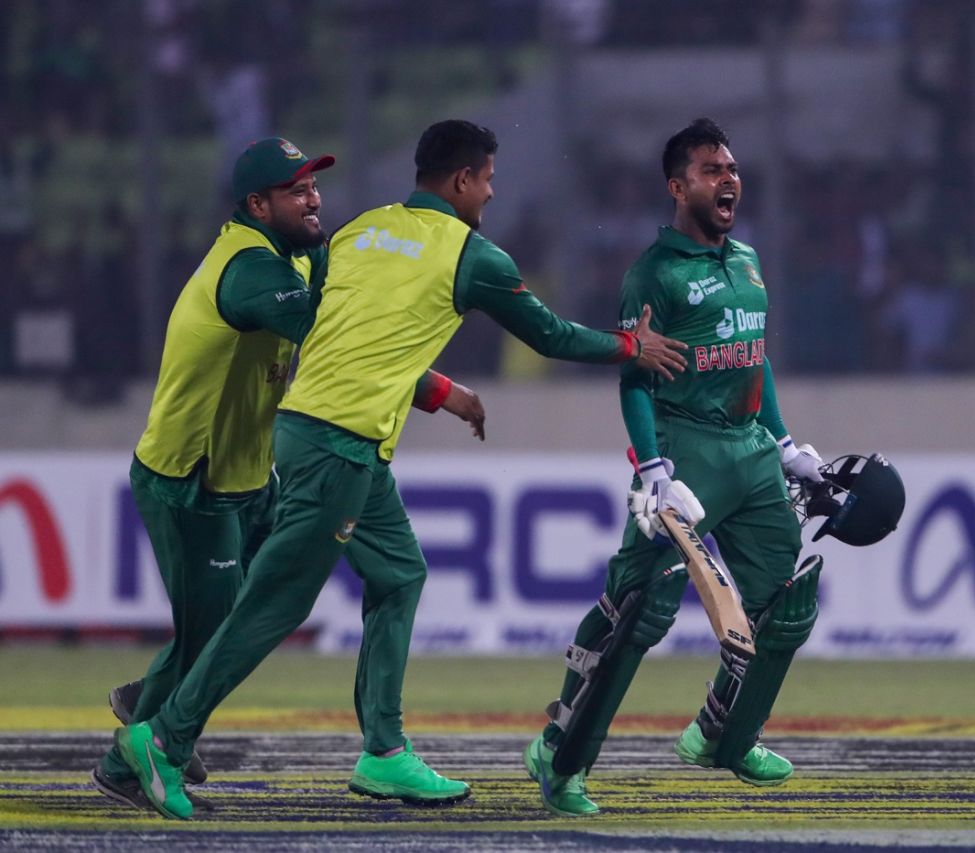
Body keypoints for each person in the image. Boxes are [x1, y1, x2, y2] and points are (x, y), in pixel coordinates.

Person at [110, 119, 688, 820]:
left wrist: (440, 391)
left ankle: (383, 751)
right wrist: (633, 345)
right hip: (331, 443)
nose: (492, 193)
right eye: (489, 181)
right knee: (275, 602)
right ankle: (163, 739)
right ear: (463, 181)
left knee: (399, 573)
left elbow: (346, 332)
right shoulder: (473, 255)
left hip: (313, 431)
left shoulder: (358, 231)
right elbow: (549, 334)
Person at [91, 137, 484, 813]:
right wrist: (438, 385)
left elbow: (348, 335)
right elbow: (344, 342)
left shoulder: (291, 256)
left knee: (385, 573)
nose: (314, 199)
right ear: (256, 204)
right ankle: (136, 752)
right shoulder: (249, 271)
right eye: (296, 191)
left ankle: (155, 709)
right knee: (227, 628)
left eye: (314, 186)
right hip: (194, 484)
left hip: (251, 477)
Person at [523, 118, 827, 817]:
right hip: (683, 451)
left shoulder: (747, 260)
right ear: (677, 185)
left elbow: (756, 355)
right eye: (711, 169)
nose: (729, 178)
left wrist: (782, 442)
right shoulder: (653, 273)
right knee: (638, 606)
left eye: (732, 167)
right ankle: (560, 752)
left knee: (787, 600)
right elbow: (633, 374)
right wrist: (653, 468)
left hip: (748, 450)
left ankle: (723, 733)